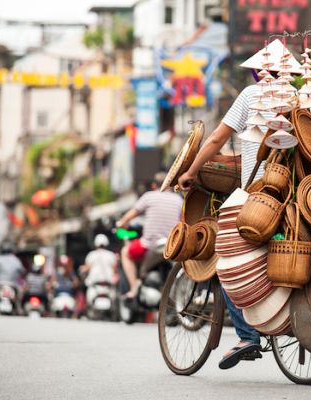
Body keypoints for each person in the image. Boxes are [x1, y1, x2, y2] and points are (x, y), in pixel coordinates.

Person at [176, 41, 296, 369]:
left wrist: (191, 170)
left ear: (260, 71)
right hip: (298, 198)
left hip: (257, 199)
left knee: (226, 258)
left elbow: (216, 138)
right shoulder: (302, 99)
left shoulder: (251, 95)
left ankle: (247, 336)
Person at [116, 172, 182, 298]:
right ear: (170, 185)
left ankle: (134, 287)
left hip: (150, 245)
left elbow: (130, 215)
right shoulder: (179, 200)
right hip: (172, 245)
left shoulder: (148, 196)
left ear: (153, 185)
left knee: (125, 252)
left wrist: (121, 223)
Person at [81, 234, 118, 305]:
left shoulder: (91, 255)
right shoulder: (111, 255)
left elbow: (86, 268)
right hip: (108, 284)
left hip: (94, 284)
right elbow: (114, 270)